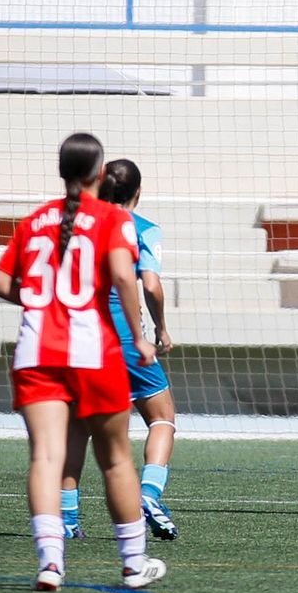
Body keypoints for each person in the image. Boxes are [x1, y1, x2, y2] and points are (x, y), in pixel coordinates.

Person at [0, 133, 166, 591]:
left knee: (46, 457)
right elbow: (126, 278)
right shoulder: (112, 218)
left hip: (35, 352)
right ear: (98, 174)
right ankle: (132, 563)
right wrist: (141, 337)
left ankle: (50, 562)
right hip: (93, 351)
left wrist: (39, 301)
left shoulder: (33, 221)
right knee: (116, 460)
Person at [60, 159, 179, 542]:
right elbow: (151, 285)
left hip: (79, 335)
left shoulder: (75, 223)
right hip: (125, 338)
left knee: (79, 427)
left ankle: (66, 517)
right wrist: (160, 327)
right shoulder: (142, 228)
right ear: (138, 193)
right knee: (162, 416)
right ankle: (149, 495)